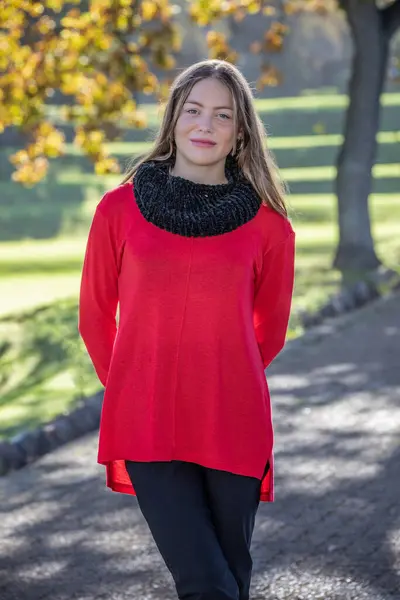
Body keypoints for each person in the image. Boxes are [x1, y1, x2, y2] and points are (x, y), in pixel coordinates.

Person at [78, 59, 295, 600]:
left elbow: (269, 330)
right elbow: (95, 315)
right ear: (174, 119)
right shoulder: (117, 211)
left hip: (233, 419)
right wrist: (132, 383)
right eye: (194, 110)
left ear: (240, 130)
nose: (206, 124)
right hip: (146, 419)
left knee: (231, 576)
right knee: (204, 581)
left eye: (222, 115)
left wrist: (219, 375)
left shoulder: (270, 227)